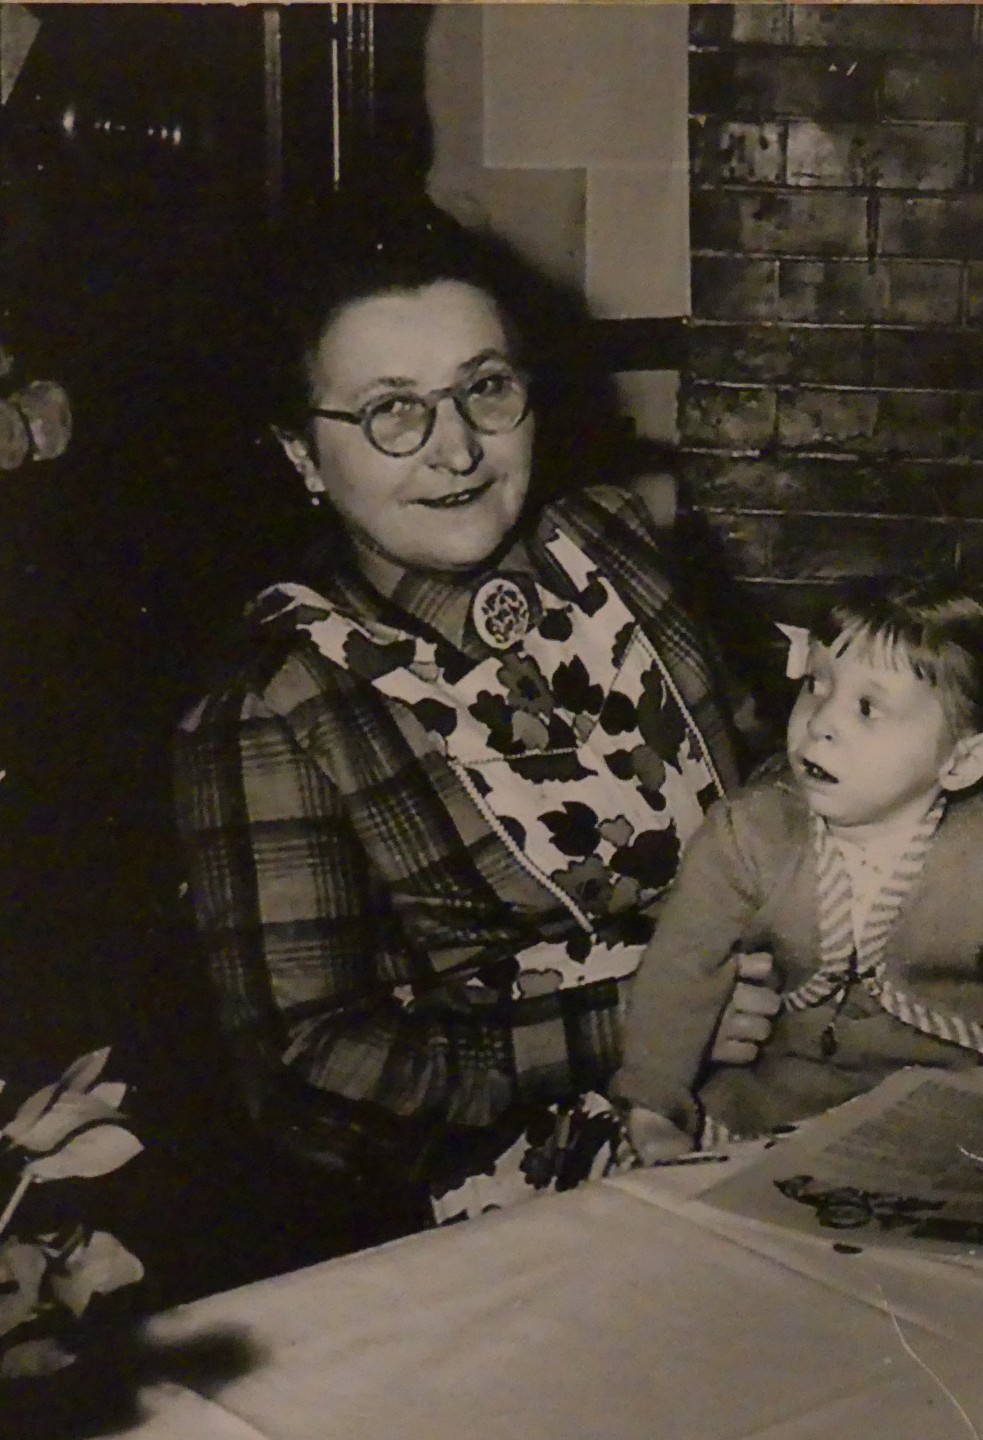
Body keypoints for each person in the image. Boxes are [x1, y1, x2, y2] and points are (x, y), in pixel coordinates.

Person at [173, 197, 777, 1227]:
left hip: (780, 1089)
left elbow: (769, 791)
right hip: (532, 1199)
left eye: (485, 389)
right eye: (390, 410)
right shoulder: (278, 706)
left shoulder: (615, 545)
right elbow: (307, 1077)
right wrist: (638, 1020)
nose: (456, 451)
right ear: (303, 457)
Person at [615, 575, 983, 1156]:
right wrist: (653, 1105)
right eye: (817, 685)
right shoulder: (750, 834)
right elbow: (680, 967)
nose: (822, 722)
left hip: (956, 1087)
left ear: (961, 761)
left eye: (868, 707)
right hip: (785, 1089)